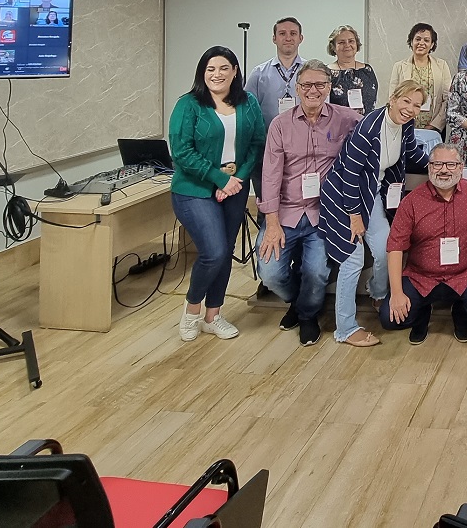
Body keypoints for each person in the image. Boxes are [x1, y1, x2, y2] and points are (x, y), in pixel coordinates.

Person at [320, 81, 432, 347]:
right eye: (406, 101)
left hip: (371, 196)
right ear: (392, 99)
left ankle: (378, 293)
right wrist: (354, 216)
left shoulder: (405, 125)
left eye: (417, 105)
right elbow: (349, 174)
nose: (410, 109)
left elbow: (412, 153)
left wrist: (438, 164)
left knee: (386, 249)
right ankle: (345, 328)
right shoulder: (369, 128)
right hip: (344, 198)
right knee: (353, 260)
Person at [256, 60, 359, 346]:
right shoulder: (280, 125)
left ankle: (307, 315)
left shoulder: (346, 119)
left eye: (320, 84)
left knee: (316, 272)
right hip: (286, 212)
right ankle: (300, 302)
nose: (313, 90)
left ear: (329, 87)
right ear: (297, 88)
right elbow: (270, 175)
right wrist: (272, 223)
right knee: (269, 273)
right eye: (307, 85)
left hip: (323, 214)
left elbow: (377, 131)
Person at [168, 46, 266, 342]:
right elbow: (181, 151)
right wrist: (219, 179)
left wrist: (237, 179)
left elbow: (257, 143)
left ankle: (213, 316)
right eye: (210, 69)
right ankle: (192, 311)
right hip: (194, 190)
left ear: (235, 71)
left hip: (235, 187)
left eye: (224, 68)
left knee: (225, 252)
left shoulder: (248, 102)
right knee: (214, 252)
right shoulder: (188, 104)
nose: (217, 74)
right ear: (202, 73)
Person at [381, 143, 467, 343]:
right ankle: (422, 313)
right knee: (389, 319)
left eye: (451, 164)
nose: (444, 170)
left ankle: (460, 313)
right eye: (437, 164)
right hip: (421, 276)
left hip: (465, 272)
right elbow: (395, 247)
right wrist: (397, 293)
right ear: (429, 167)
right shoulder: (411, 202)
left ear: (461, 167)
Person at [388, 23, 452, 154]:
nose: (421, 43)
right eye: (417, 39)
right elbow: (393, 98)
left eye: (426, 40)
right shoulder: (399, 66)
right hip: (404, 125)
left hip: (434, 128)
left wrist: (434, 125)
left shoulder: (442, 65)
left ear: (432, 44)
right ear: (411, 41)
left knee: (432, 161)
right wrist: (401, 121)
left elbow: (448, 98)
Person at [245, 17, 305, 131]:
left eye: (293, 33)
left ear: (300, 38)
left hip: (304, 137)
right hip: (268, 137)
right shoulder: (258, 73)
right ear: (274, 39)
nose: (288, 38)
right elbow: (248, 110)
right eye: (282, 33)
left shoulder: (311, 71)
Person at [328, 24, 377, 116]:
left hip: (366, 123)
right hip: (339, 124)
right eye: (341, 42)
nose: (347, 45)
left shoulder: (367, 70)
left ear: (356, 44)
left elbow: (372, 103)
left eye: (351, 41)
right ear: (333, 47)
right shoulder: (326, 73)